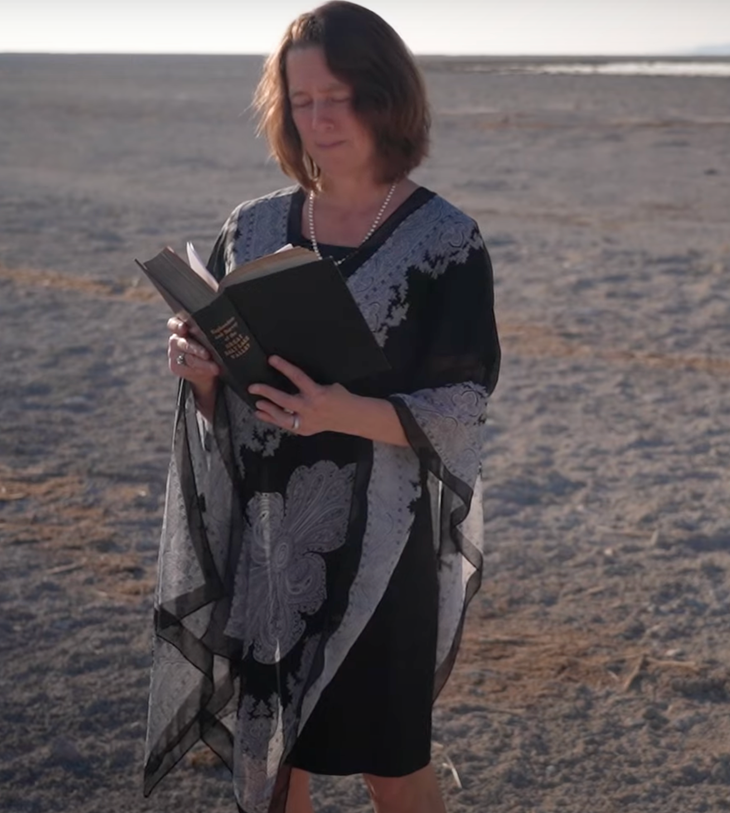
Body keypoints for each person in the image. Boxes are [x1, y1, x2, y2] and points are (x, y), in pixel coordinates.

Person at [141, 3, 500, 812]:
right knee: (269, 763)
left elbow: (462, 407)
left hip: (381, 544)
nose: (319, 118)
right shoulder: (253, 224)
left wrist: (341, 409)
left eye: (339, 95)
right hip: (266, 536)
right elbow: (234, 388)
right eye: (301, 100)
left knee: (391, 765)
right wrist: (198, 369)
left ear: (386, 97)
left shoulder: (446, 240)